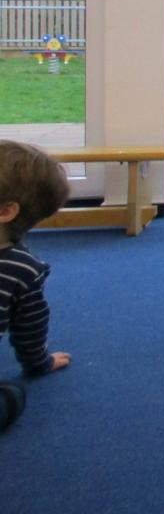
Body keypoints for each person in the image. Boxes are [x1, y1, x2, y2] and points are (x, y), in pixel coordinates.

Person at [0, 140, 72, 432]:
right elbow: (29, 331)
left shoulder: (21, 270)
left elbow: (30, 327)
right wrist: (39, 363)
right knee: (12, 395)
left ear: (5, 211)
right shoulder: (25, 269)